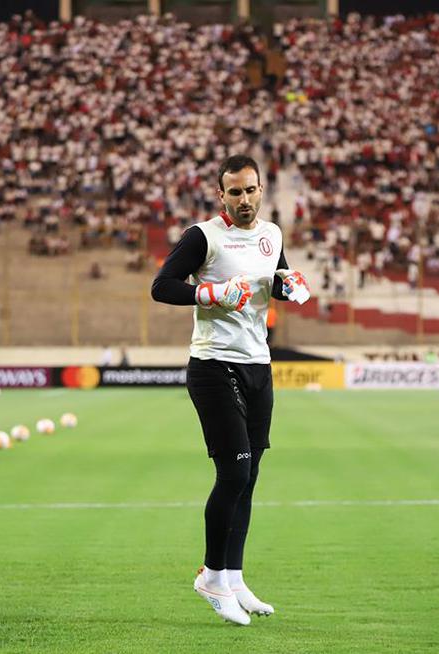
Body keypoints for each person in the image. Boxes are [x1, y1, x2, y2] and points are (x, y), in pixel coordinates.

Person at [151, 154, 309, 626]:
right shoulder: (204, 236)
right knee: (235, 473)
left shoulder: (272, 235)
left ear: (262, 190)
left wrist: (289, 286)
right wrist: (210, 293)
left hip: (258, 363)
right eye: (234, 191)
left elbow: (274, 278)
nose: (244, 199)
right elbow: (161, 287)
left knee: (251, 476)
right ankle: (211, 577)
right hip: (213, 366)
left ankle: (234, 578)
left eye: (251, 190)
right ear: (221, 195)